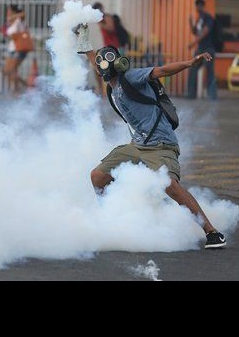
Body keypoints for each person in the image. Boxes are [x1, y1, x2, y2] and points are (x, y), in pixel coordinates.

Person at [73, 24, 227, 249]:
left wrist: (189, 63)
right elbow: (96, 61)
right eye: (100, 66)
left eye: (106, 64)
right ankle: (111, 219)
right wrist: (85, 44)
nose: (101, 69)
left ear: (118, 64)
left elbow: (162, 71)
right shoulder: (110, 82)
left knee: (170, 186)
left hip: (161, 144)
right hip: (137, 145)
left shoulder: (131, 77)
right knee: (97, 176)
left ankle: (212, 232)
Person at [186, 0, 217, 100]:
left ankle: (212, 96)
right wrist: (191, 24)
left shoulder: (208, 18)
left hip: (208, 48)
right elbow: (196, 32)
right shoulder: (199, 19)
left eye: (199, 5)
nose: (197, 7)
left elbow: (204, 33)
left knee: (209, 72)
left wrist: (193, 43)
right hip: (200, 48)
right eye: (196, 5)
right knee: (193, 68)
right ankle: (191, 94)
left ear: (203, 6)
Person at [3, 5, 30, 95]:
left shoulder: (19, 20)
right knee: (8, 70)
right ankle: (19, 88)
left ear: (14, 12)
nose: (8, 12)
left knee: (11, 70)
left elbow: (23, 14)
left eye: (9, 10)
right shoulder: (12, 21)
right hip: (12, 48)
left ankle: (20, 89)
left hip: (18, 49)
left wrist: (11, 17)